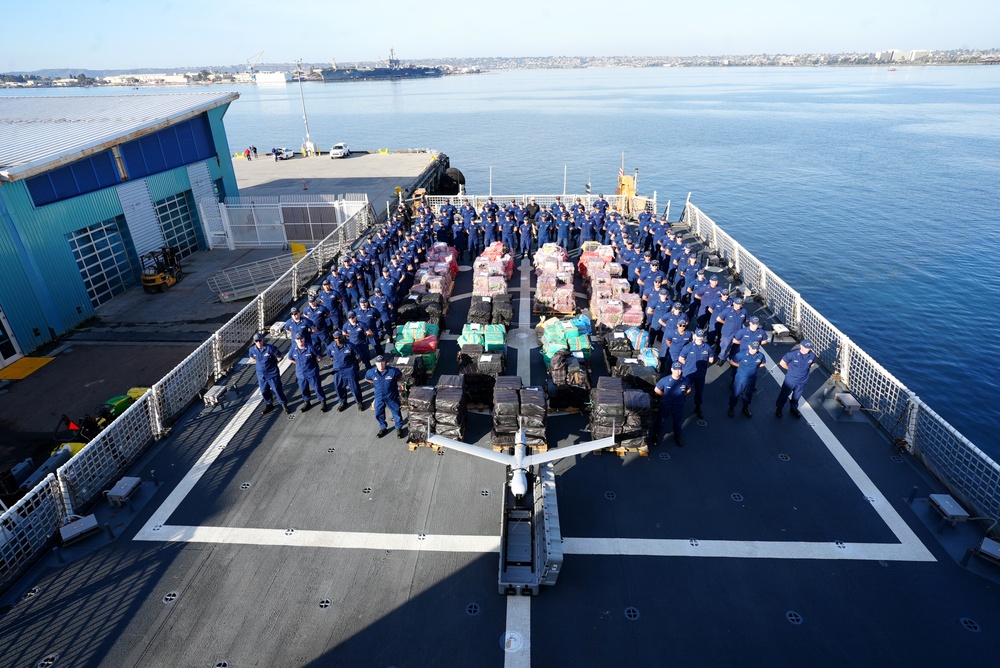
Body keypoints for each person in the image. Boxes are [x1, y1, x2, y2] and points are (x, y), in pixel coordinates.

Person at [248, 333, 290, 414]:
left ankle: (283, 403)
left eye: (260, 340)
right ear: (254, 341)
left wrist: (273, 363)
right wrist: (259, 362)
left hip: (272, 373)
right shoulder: (252, 350)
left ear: (263, 340)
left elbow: (279, 357)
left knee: (277, 389)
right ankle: (269, 404)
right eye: (256, 341)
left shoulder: (270, 348)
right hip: (261, 374)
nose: (259, 342)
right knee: (264, 390)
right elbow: (251, 357)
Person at [677, 328, 715, 419]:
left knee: (699, 392)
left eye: (701, 337)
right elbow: (681, 359)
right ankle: (680, 407)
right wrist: (687, 366)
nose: (700, 338)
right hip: (688, 373)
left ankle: (698, 407)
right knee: (684, 390)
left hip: (700, 374)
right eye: (698, 337)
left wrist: (702, 365)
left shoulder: (707, 347)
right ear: (695, 336)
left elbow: (711, 360)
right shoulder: (688, 347)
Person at [364, 355, 405, 438]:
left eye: (382, 362)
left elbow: (402, 377)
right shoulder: (371, 372)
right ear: (376, 363)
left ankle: (399, 428)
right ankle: (383, 427)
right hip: (379, 396)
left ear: (385, 363)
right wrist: (375, 383)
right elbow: (367, 379)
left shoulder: (393, 371)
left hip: (391, 396)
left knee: (396, 412)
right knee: (378, 412)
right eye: (379, 362)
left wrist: (393, 381)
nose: (381, 364)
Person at [775, 340, 818, 419]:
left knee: (797, 395)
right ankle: (779, 408)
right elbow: (782, 363)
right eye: (806, 348)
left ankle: (793, 407)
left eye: (809, 348)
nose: (808, 350)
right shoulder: (792, 355)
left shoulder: (812, 355)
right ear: (801, 346)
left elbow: (812, 363)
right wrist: (790, 370)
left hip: (802, 380)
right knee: (784, 394)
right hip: (791, 379)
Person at [288, 332, 328, 412]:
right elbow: (290, 358)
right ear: (295, 340)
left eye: (301, 339)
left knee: (317, 388)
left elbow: (319, 357)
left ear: (304, 339)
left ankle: (322, 401)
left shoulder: (310, 347)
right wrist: (298, 363)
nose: (300, 340)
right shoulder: (293, 349)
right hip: (301, 374)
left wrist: (312, 364)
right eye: (298, 339)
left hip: (311, 372)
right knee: (303, 390)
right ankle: (307, 402)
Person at [654, 362, 691, 447]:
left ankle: (677, 436)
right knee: (660, 421)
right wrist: (665, 395)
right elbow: (656, 389)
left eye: (679, 370)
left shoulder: (685, 381)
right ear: (671, 369)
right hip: (666, 404)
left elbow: (688, 390)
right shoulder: (665, 380)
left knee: (677, 421)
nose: (678, 372)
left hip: (678, 404)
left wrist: (681, 395)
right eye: (676, 370)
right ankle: (656, 435)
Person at [326, 331, 365, 411]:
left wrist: (355, 364)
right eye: (336, 338)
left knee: (354, 388)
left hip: (349, 369)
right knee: (339, 387)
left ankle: (359, 402)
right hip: (337, 371)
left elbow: (358, 356)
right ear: (334, 338)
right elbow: (330, 356)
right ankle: (343, 402)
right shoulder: (331, 347)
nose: (338, 339)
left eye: (339, 337)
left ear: (342, 337)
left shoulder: (350, 346)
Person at [728, 340, 766, 418]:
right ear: (749, 346)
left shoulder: (760, 356)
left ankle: (745, 407)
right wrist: (740, 366)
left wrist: (755, 367)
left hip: (752, 379)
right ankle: (731, 407)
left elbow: (763, 364)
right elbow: (732, 361)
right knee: (736, 393)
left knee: (748, 394)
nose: (754, 350)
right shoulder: (741, 355)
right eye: (753, 348)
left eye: (756, 348)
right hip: (741, 378)